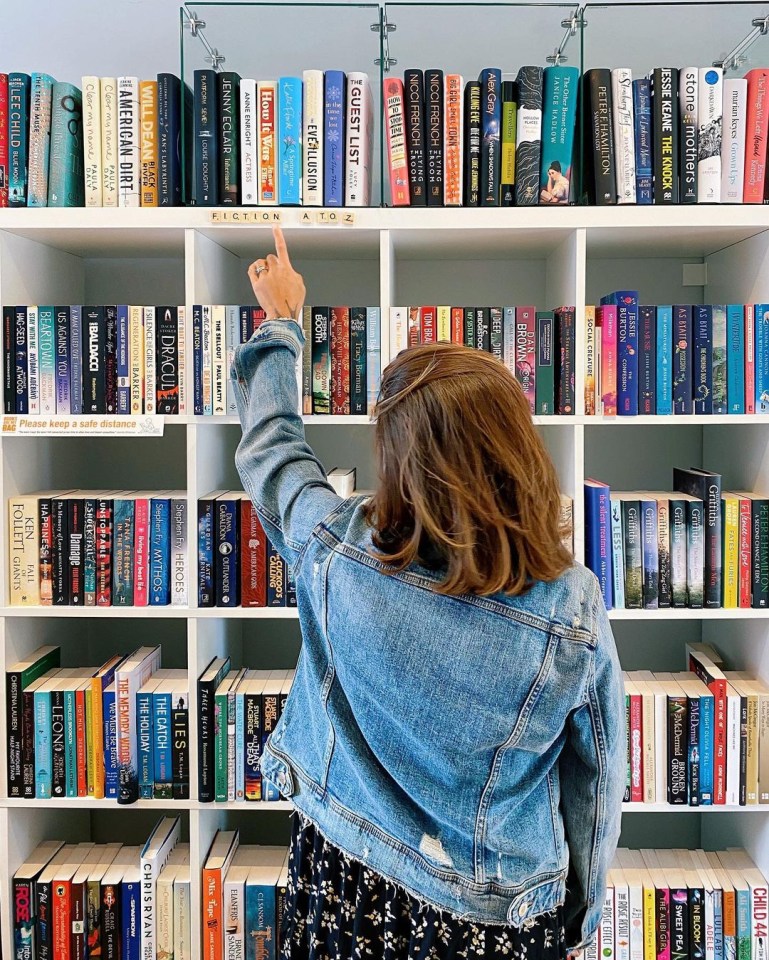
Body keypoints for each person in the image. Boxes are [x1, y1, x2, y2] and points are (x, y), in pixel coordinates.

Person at [233, 226, 625, 960]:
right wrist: (578, 912)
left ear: (397, 459)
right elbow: (597, 776)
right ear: (516, 447)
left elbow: (270, 449)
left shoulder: (334, 546)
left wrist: (282, 321)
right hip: (492, 913)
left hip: (342, 879)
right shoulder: (568, 608)